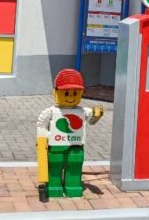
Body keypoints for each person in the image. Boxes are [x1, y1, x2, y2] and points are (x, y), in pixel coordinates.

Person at [36, 69, 104, 198]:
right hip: (56, 144)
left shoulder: (83, 111)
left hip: (76, 144)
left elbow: (92, 121)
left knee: (75, 164)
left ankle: (72, 186)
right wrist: (42, 139)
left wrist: (97, 115)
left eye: (75, 93)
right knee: (55, 165)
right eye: (66, 93)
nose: (71, 97)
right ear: (55, 92)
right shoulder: (50, 111)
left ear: (81, 93)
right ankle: (54, 187)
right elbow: (41, 125)